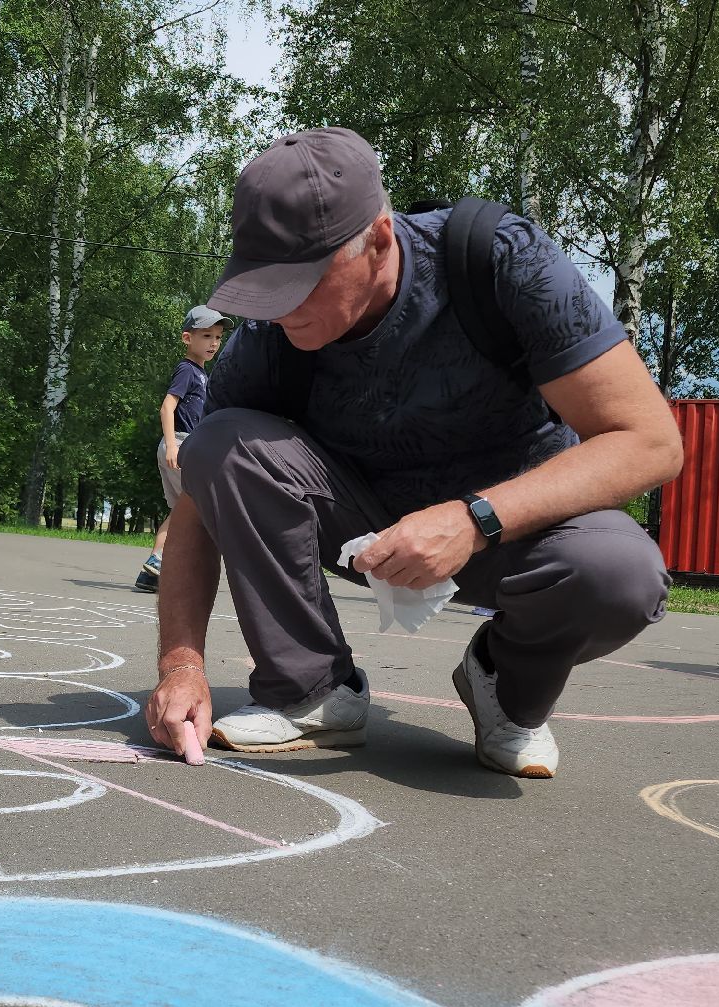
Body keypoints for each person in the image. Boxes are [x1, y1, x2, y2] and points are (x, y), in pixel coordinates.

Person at [144, 128, 682, 779]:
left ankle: (504, 685)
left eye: (300, 282)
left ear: (378, 238)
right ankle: (312, 688)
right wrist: (181, 664)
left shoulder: (499, 260)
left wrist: (473, 519)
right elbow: (201, 502)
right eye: (263, 284)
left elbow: (650, 441)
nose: (278, 308)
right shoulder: (271, 334)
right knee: (222, 439)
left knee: (619, 574)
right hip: (362, 526)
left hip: (513, 533)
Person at [134, 305, 231, 593]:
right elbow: (167, 406)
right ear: (187, 338)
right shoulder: (186, 370)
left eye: (217, 337)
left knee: (181, 510)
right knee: (202, 506)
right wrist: (173, 445)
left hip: (182, 443)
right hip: (181, 442)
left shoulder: (201, 374)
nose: (213, 343)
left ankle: (152, 571)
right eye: (206, 336)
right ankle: (176, 563)